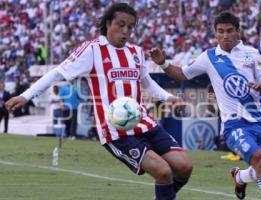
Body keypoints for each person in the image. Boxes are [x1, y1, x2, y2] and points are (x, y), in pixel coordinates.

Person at [5, 3, 192, 200]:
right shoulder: (92, 50)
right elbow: (57, 73)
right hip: (115, 130)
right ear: (108, 24)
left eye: (130, 27)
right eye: (121, 25)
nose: (126, 31)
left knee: (184, 166)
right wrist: (25, 96)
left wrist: (169, 97)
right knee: (163, 172)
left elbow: (147, 82)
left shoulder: (136, 52)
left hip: (143, 121)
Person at [150, 12, 261, 200]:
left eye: (229, 31)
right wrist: (163, 63)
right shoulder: (209, 57)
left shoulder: (252, 54)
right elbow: (182, 74)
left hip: (258, 122)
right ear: (215, 33)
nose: (225, 36)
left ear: (238, 31)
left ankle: (240, 176)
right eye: (220, 32)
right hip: (234, 125)